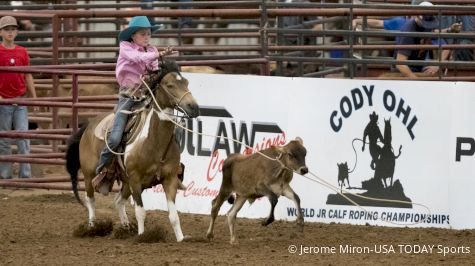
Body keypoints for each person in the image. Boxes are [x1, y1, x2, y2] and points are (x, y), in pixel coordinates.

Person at [92, 16, 175, 188]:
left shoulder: (150, 50)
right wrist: (158, 54)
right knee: (115, 138)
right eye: (143, 34)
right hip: (128, 96)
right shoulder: (126, 47)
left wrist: (158, 69)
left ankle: (172, 165)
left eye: (149, 34)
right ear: (133, 36)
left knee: (168, 123)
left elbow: (153, 68)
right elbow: (137, 58)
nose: (147, 37)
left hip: (146, 95)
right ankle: (103, 169)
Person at [0, 16, 37, 179]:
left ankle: (25, 175)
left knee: (23, 137)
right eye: (7, 29)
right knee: (5, 139)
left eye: (13, 29)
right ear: (1, 32)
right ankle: (6, 175)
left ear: (16, 32)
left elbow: (28, 75)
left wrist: (33, 97)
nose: (10, 32)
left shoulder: (22, 51)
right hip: (4, 100)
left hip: (20, 100)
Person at [395, 1, 453, 78]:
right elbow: (400, 63)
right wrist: (416, 81)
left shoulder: (427, 27)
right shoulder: (409, 31)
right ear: (417, 16)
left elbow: (446, 48)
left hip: (419, 65)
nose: (428, 27)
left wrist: (437, 65)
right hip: (405, 70)